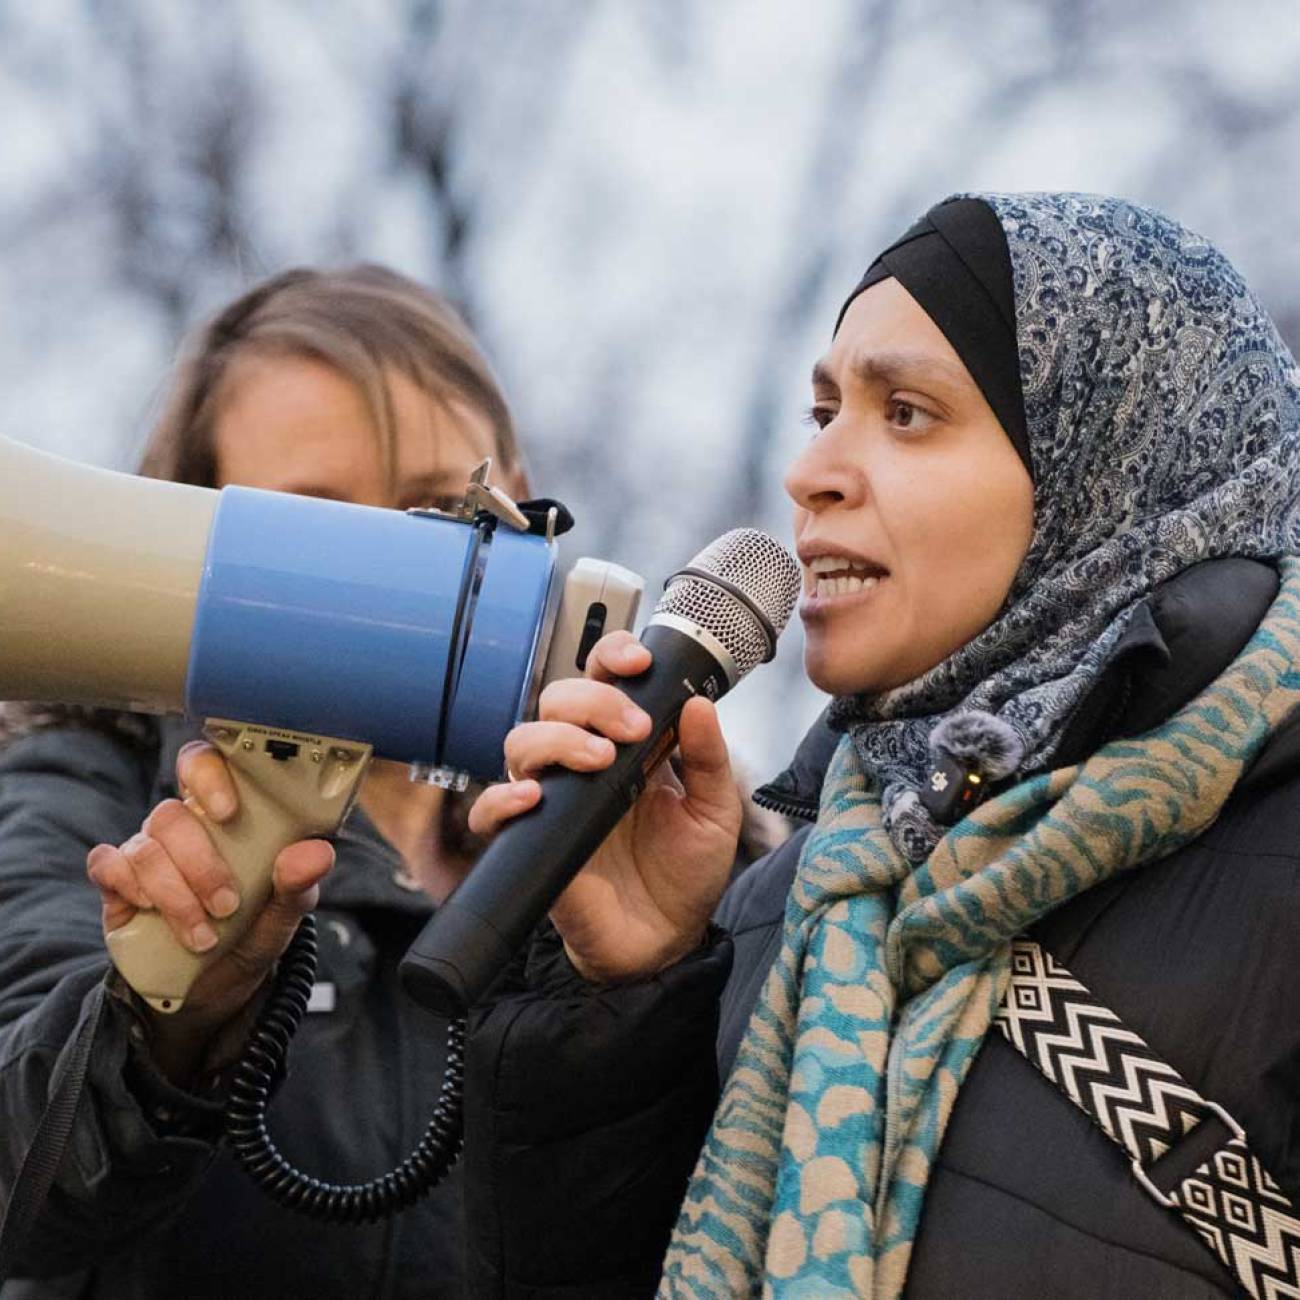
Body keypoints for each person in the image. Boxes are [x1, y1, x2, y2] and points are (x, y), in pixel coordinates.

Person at [464, 192, 1300, 1298]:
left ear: (1114, 456)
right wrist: (627, 995)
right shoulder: (783, 901)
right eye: (823, 412)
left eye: (905, 412)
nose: (809, 473)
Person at [0, 265, 528, 1300]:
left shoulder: (589, 848)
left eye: (436, 508)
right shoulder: (89, 794)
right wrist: (166, 1030)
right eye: (314, 521)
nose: (391, 575)